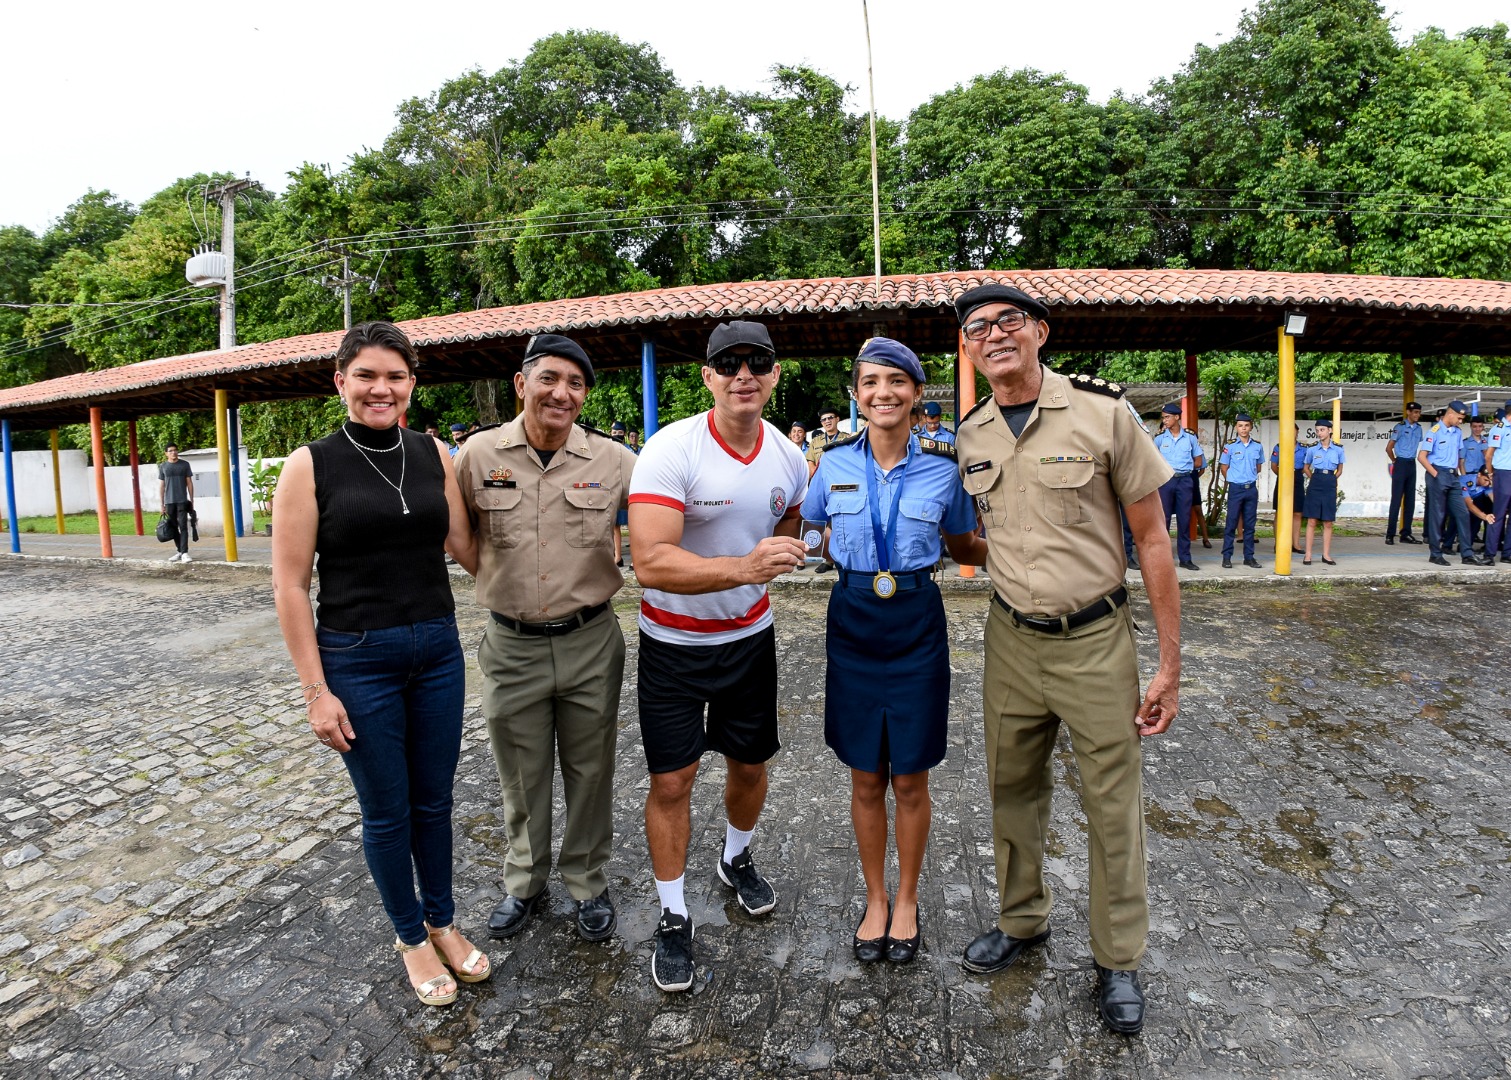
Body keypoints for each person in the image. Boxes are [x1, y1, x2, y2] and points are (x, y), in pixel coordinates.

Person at [952, 284, 1182, 1035]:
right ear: (967, 349)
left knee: (1110, 802)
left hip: (1093, 642)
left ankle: (1117, 958)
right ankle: (1022, 921)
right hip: (1009, 642)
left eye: (1007, 321)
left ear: (1039, 331)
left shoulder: (1101, 413)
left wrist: (1169, 664)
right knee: (1010, 788)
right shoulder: (971, 434)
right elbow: (985, 540)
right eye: (976, 328)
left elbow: (1151, 539)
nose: (993, 335)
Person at [270, 321, 488, 1008]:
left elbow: (466, 547)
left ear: (411, 385)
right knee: (388, 810)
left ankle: (444, 922)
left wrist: (548, 583)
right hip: (356, 659)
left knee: (435, 801)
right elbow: (287, 584)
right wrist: (315, 691)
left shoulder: (431, 453)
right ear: (340, 381)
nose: (380, 388)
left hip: (436, 650)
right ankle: (410, 937)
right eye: (365, 375)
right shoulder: (311, 464)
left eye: (395, 376)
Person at [627, 319, 809, 993]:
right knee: (671, 782)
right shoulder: (671, 448)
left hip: (747, 640)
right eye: (726, 363)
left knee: (750, 764)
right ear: (706, 376)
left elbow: (790, 516)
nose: (742, 374)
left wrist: (779, 549)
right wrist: (744, 565)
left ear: (773, 373)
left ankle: (735, 858)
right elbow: (648, 561)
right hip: (671, 646)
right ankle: (673, 915)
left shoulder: (788, 457)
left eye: (756, 361)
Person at [806, 337, 987, 966]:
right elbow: (814, 533)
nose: (883, 393)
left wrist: (1031, 553)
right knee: (864, 773)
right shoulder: (830, 465)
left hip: (916, 619)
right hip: (853, 617)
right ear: (856, 395)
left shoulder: (944, 466)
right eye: (870, 383)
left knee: (910, 774)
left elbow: (965, 547)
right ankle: (875, 897)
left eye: (897, 382)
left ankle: (907, 899)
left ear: (916, 393)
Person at [453, 334, 639, 945]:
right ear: (521, 383)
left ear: (584, 395)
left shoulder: (614, 462)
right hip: (510, 645)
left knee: (590, 769)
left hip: (590, 640)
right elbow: (456, 535)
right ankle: (524, 881)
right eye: (550, 379)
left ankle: (587, 879)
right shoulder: (477, 456)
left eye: (576, 384)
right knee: (520, 772)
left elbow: (665, 517)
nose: (562, 393)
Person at [1418, 400, 1493, 566]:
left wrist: (1460, 476)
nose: (1461, 421)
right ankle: (1435, 553)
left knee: (1463, 513)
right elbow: (1421, 457)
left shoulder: (1457, 433)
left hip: (1454, 477)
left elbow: (1460, 458)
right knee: (1438, 515)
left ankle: (1467, 554)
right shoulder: (1435, 432)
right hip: (1438, 473)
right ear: (1450, 414)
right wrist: (1436, 474)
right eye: (1459, 418)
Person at [1153, 402, 1204, 571]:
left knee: (1184, 519)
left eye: (1167, 417)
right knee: (1164, 520)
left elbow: (1199, 460)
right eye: (1163, 417)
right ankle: (1164, 558)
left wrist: (1188, 472)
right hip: (1166, 482)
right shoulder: (1159, 439)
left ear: (1177, 417)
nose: (1165, 420)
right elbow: (1153, 461)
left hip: (1184, 481)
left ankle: (1185, 559)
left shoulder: (1190, 438)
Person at [806, 407, 848, 573]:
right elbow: (809, 461)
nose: (827, 421)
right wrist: (815, 479)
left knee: (840, 523)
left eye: (830, 418)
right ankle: (828, 559)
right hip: (821, 488)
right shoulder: (815, 442)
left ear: (837, 419)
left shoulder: (847, 439)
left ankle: (842, 557)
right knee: (822, 523)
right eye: (824, 419)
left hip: (841, 487)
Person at [1219, 414, 1265, 568]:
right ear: (1236, 427)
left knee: (1250, 525)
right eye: (1240, 426)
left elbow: (1258, 467)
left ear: (1251, 427)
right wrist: (1233, 479)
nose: (1243, 429)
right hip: (1236, 489)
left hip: (1251, 489)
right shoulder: (1230, 446)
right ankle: (1227, 557)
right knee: (1231, 523)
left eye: (1246, 425)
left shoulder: (1257, 446)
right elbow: (1224, 468)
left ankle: (1249, 557)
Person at [1300, 418, 1344, 566]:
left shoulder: (1338, 449)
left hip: (1330, 482)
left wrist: (1330, 479)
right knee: (1312, 520)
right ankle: (1308, 555)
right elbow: (1306, 467)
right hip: (1316, 482)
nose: (1319, 433)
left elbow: (1340, 470)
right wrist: (1315, 478)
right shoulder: (1312, 449)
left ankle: (1326, 555)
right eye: (1317, 430)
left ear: (1330, 430)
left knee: (1328, 521)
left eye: (1322, 430)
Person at [1384, 403, 1425, 545]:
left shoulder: (1419, 429)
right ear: (1408, 412)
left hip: (1411, 464)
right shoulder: (1400, 427)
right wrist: (1395, 460)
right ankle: (1390, 534)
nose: (1417, 415)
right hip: (1400, 463)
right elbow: (1389, 448)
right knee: (1396, 500)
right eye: (1415, 412)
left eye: (1419, 412)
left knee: (1410, 501)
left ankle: (1406, 533)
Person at [1270, 424, 1307, 554]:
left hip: (1297, 478)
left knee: (1297, 512)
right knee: (1280, 512)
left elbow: (1305, 466)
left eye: (1294, 430)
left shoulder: (1303, 448)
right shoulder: (1279, 447)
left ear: (1297, 432)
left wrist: (1295, 474)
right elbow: (1274, 465)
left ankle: (1295, 544)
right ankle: (1278, 543)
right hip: (1283, 476)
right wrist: (1284, 475)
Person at [157, 444, 195, 564]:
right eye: (171, 451)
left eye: (175, 450)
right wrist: (161, 504)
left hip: (182, 501)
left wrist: (192, 499)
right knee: (173, 527)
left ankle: (185, 553)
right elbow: (162, 486)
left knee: (183, 526)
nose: (174, 452)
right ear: (166, 453)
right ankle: (179, 550)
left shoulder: (184, 465)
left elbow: (189, 482)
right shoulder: (163, 466)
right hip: (169, 502)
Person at [1484, 404, 1511, 565]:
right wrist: (1491, 473)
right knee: (1498, 515)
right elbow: (1489, 455)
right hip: (1502, 472)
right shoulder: (1499, 428)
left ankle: (1507, 553)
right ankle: (1489, 554)